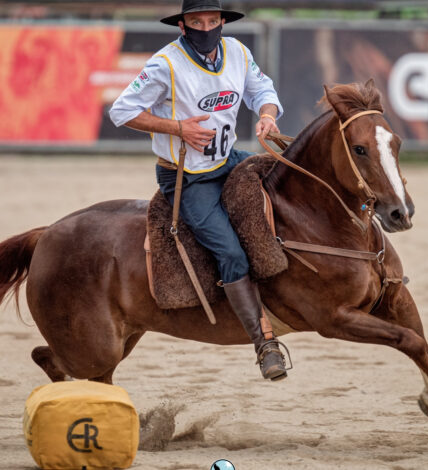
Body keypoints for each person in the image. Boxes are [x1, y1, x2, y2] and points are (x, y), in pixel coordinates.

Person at [109, 0, 288, 381]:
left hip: (228, 158)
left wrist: (268, 116)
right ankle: (264, 344)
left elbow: (263, 90)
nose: (205, 27)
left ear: (222, 22)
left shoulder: (238, 51)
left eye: (211, 20)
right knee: (230, 252)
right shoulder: (165, 64)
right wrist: (178, 128)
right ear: (183, 26)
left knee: (291, 179)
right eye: (196, 21)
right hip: (186, 176)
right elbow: (121, 111)